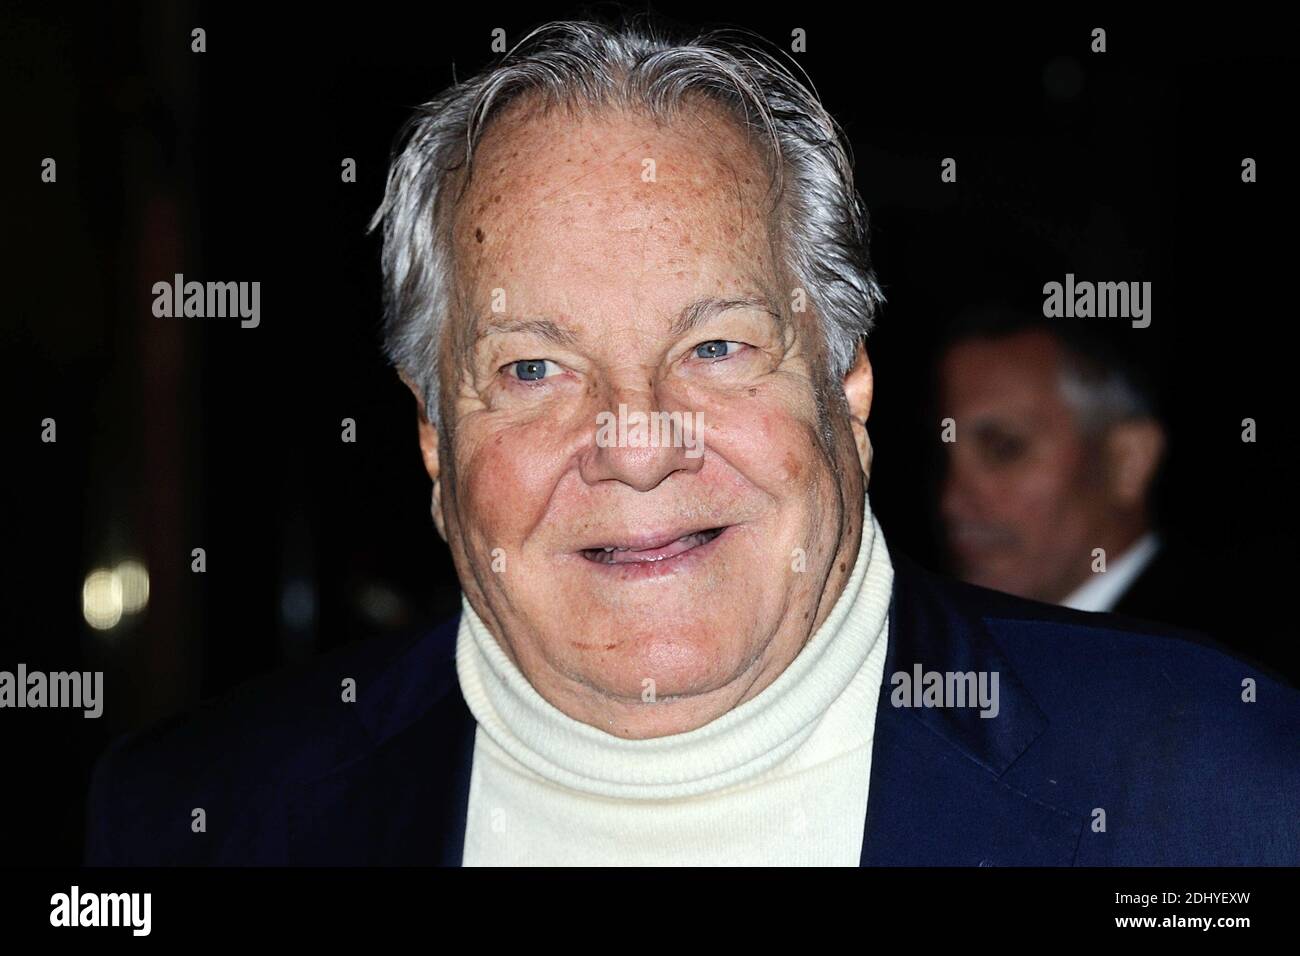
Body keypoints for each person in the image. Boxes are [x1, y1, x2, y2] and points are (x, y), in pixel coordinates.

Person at [85, 18, 1299, 867]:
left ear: (850, 382)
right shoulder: (190, 822)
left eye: (716, 345)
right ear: (432, 439)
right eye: (533, 368)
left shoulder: (1221, 791)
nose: (638, 440)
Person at [937, 307, 1297, 684]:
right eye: (942, 456)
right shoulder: (953, 655)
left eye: (1004, 448)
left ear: (1129, 460)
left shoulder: (1234, 663)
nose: (952, 502)